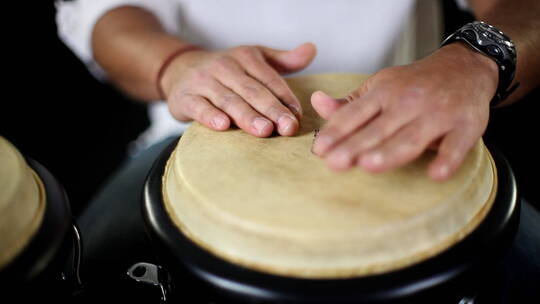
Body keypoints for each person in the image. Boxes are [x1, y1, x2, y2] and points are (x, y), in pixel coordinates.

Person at [55, 0, 540, 301]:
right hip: (197, 125)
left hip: (420, 131)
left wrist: (477, 59)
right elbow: (105, 14)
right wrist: (174, 64)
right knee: (88, 269)